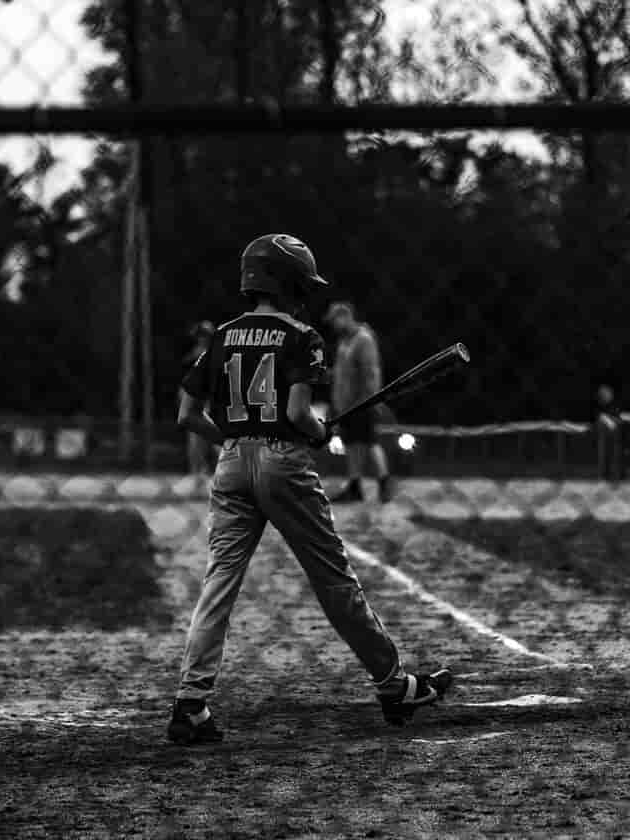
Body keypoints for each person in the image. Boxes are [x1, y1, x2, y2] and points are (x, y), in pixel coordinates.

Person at [168, 233, 451, 745]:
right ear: (290, 282)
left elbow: (188, 414)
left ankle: (191, 703)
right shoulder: (302, 336)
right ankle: (394, 685)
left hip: (230, 464)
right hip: (283, 464)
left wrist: (232, 437)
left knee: (219, 583)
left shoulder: (224, 333)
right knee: (333, 578)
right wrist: (320, 435)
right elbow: (300, 415)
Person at [324, 301, 393, 503]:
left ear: (345, 316)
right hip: (346, 404)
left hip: (362, 402)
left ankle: (384, 482)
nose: (333, 325)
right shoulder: (345, 341)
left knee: (370, 442)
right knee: (352, 443)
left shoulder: (363, 339)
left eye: (335, 320)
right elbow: (343, 372)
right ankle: (355, 485)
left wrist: (369, 400)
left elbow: (371, 373)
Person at [180, 321, 218, 484]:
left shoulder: (215, 354)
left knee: (217, 441)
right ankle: (197, 474)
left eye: (204, 336)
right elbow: (185, 383)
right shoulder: (193, 356)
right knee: (196, 440)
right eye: (200, 336)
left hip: (213, 401)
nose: (202, 339)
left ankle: (217, 473)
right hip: (198, 402)